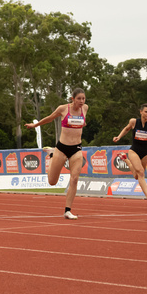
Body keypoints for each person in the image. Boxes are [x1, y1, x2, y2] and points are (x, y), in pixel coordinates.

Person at [25, 88, 88, 220]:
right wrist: (34, 125)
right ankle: (52, 154)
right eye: (79, 99)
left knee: (75, 179)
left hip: (76, 148)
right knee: (52, 181)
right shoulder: (63, 109)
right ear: (73, 99)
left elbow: (83, 122)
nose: (81, 101)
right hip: (61, 148)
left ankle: (67, 210)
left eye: (83, 98)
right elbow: (49, 118)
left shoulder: (85, 109)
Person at [113, 103, 147, 205]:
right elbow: (126, 129)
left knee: (136, 176)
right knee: (141, 173)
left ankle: (125, 160)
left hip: (145, 153)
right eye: (146, 112)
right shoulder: (134, 121)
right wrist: (118, 137)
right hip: (134, 151)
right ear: (141, 112)